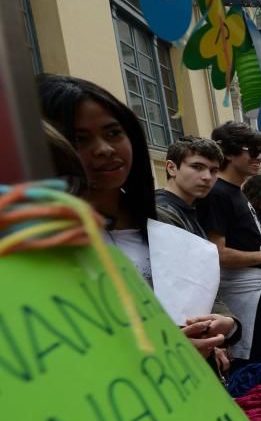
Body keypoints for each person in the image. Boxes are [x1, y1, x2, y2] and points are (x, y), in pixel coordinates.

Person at [37, 75, 237, 364]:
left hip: (189, 390)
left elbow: (203, 290)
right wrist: (159, 346)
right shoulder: (35, 243)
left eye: (113, 133)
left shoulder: (164, 219)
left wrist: (227, 325)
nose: (104, 148)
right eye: (80, 139)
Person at [197, 121, 261, 372]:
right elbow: (217, 253)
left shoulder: (235, 191)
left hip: (260, 290)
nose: (259, 157)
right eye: (251, 150)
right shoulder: (217, 193)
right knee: (254, 366)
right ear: (228, 153)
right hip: (246, 296)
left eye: (260, 150)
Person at [154, 135, 242, 374]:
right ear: (171, 167)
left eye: (213, 170)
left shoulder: (188, 210)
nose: (207, 177)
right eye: (197, 167)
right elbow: (179, 290)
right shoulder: (162, 214)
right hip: (178, 344)